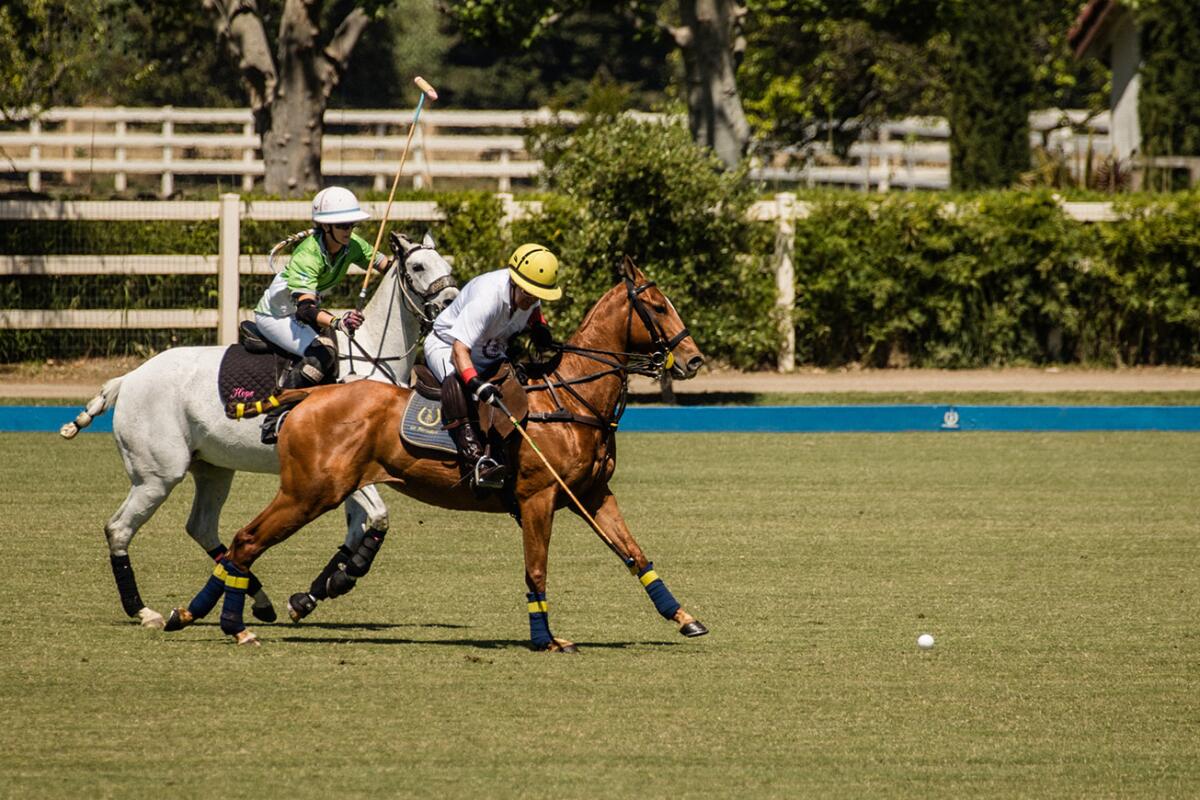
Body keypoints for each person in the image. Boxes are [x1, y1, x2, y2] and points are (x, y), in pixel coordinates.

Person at [424, 243, 561, 488]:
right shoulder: (488, 297)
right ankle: (473, 455)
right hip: (446, 345)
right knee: (458, 382)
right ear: (515, 282)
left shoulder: (530, 297)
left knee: (516, 383)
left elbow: (534, 313)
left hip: (490, 350)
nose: (532, 299)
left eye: (537, 295)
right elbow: (459, 350)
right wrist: (476, 384)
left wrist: (541, 328)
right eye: (528, 293)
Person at [253, 186, 389, 391]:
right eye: (343, 225)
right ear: (326, 227)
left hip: (301, 315)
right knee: (323, 352)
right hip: (277, 316)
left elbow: (387, 267)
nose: (348, 231)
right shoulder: (308, 255)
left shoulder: (353, 245)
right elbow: (305, 310)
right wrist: (338, 321)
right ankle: (278, 411)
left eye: (352, 225)